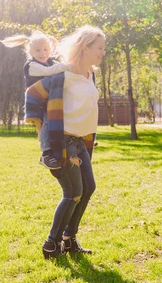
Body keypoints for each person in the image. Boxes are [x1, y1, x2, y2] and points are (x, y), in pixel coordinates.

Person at [25, 25, 106, 259]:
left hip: (80, 141)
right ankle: (51, 243)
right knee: (72, 192)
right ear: (85, 47)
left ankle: (69, 240)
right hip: (63, 142)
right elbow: (33, 94)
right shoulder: (62, 75)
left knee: (88, 188)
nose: (102, 52)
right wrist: (45, 137)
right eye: (99, 48)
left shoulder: (91, 75)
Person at [2, 30, 72, 169]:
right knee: (46, 121)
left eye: (45, 49)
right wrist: (70, 66)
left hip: (50, 97)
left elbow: (60, 68)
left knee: (63, 114)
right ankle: (46, 153)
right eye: (38, 50)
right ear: (30, 51)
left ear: (50, 49)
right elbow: (49, 72)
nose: (42, 53)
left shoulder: (51, 61)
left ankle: (76, 138)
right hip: (37, 100)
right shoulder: (31, 66)